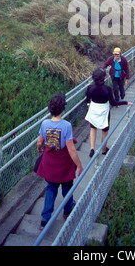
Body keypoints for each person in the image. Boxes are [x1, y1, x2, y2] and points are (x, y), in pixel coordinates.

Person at [36, 92, 83, 230]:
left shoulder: (45, 124)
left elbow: (40, 142)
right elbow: (71, 150)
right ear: (63, 108)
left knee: (51, 188)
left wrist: (39, 148)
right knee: (67, 186)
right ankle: (67, 210)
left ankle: (45, 219)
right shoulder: (66, 126)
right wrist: (79, 165)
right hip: (64, 162)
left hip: (50, 161)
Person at [85, 67, 132, 158]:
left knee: (93, 128)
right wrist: (125, 102)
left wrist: (89, 107)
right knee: (104, 131)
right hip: (104, 111)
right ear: (103, 78)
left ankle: (92, 149)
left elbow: (87, 100)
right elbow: (113, 103)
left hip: (93, 109)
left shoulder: (90, 88)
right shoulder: (107, 89)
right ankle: (103, 150)